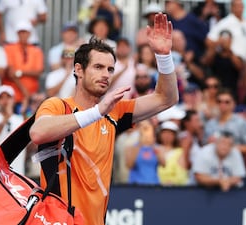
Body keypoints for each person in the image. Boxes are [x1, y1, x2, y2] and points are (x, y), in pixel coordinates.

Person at [29, 13, 178, 225]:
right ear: (78, 70)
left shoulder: (114, 112)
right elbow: (38, 132)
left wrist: (164, 56)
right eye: (98, 67)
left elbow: (167, 98)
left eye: (110, 69)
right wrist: (96, 112)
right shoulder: (58, 106)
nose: (106, 74)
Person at [2, 21, 44, 116]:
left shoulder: (36, 50)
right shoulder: (9, 48)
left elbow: (39, 72)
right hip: (13, 97)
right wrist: (25, 92)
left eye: (25, 32)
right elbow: (10, 72)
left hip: (31, 97)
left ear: (29, 33)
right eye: (21, 32)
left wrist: (20, 72)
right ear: (17, 33)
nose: (23, 34)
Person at [0, 85, 26, 174]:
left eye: (8, 97)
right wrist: (6, 118)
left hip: (18, 169)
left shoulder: (20, 119)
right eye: (1, 98)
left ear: (13, 100)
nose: (5, 100)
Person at [126, 119, 165, 185]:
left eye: (146, 128)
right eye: (141, 127)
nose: (144, 130)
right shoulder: (131, 147)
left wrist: (152, 143)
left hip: (154, 184)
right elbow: (129, 165)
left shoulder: (157, 147)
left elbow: (163, 163)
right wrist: (140, 144)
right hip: (136, 185)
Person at [157, 120, 188, 186]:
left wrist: (172, 182)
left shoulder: (179, 152)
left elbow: (182, 174)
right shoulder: (155, 149)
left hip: (172, 188)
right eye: (164, 132)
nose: (167, 136)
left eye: (170, 133)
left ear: (175, 136)